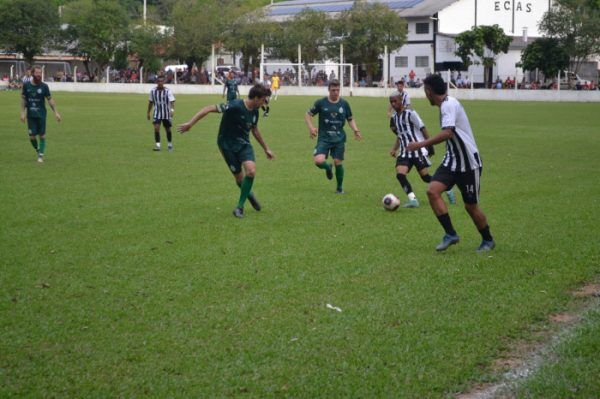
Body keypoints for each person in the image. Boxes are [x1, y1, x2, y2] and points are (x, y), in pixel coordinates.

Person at [406, 74, 495, 252]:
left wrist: (420, 144)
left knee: (471, 206)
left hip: (469, 163)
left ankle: (488, 240)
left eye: (425, 91)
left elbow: (447, 133)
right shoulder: (446, 104)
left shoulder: (448, 105)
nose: (425, 95)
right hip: (452, 160)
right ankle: (451, 234)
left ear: (429, 91)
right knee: (432, 191)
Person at [177, 84, 275, 218]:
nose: (265, 102)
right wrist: (190, 124)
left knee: (251, 171)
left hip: (244, 144)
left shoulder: (255, 112)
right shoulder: (235, 105)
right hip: (226, 144)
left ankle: (239, 207)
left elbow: (255, 130)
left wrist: (266, 148)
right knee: (240, 179)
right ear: (256, 98)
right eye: (264, 99)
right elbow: (208, 109)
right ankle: (249, 195)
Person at [388, 92, 456, 208]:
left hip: (417, 151)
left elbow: (423, 129)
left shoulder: (411, 114)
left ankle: (448, 188)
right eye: (391, 102)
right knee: (400, 175)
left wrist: (430, 147)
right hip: (404, 152)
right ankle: (413, 200)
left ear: (401, 100)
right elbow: (400, 135)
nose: (393, 104)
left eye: (395, 101)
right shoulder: (394, 117)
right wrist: (395, 149)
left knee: (425, 178)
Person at [305, 79, 362, 194]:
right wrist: (311, 128)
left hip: (339, 139)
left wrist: (356, 130)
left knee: (338, 162)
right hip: (324, 138)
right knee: (318, 161)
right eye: (333, 90)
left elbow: (350, 119)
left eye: (337, 90)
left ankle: (339, 188)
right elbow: (307, 114)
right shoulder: (321, 103)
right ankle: (328, 168)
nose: (335, 92)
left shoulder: (344, 104)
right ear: (329, 90)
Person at [20, 66, 61, 163]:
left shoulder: (44, 86)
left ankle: (41, 156)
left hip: (41, 114)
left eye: (40, 73)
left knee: (42, 136)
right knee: (32, 137)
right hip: (30, 115)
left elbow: (50, 99)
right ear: (32, 74)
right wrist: (22, 112)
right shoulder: (26, 85)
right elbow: (23, 99)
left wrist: (56, 112)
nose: (39, 75)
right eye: (37, 73)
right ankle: (38, 149)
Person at [147, 75, 175, 151]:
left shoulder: (168, 91)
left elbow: (172, 101)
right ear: (156, 82)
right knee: (156, 128)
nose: (160, 83)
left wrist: (172, 110)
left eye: (161, 81)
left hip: (166, 114)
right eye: (158, 81)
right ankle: (158, 146)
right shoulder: (153, 91)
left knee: (168, 129)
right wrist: (148, 112)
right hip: (157, 113)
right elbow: (150, 102)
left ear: (164, 82)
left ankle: (169, 144)